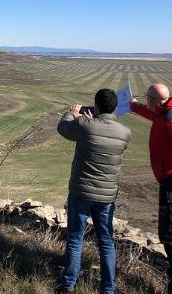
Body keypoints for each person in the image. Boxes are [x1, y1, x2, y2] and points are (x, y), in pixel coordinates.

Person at [56, 89, 131, 294]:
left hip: (81, 192)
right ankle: (108, 288)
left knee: (75, 238)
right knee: (106, 241)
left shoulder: (84, 124)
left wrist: (73, 113)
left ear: (96, 106)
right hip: (106, 196)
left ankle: (68, 285)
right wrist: (90, 121)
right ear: (115, 107)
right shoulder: (125, 132)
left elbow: (63, 128)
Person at [131, 84, 172, 294]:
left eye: (145, 98)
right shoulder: (163, 111)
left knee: (169, 232)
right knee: (166, 231)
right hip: (169, 180)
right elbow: (150, 113)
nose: (144, 101)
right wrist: (131, 105)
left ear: (154, 100)